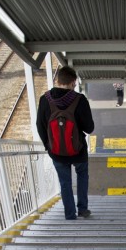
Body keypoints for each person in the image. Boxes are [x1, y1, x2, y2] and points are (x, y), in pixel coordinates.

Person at [37, 66, 94, 220]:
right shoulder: (80, 100)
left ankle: (69, 214)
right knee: (82, 176)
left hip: (56, 151)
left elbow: (40, 126)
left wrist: (49, 147)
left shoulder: (45, 100)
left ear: (58, 80)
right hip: (78, 150)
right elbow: (90, 128)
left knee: (64, 182)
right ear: (73, 82)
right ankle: (83, 209)